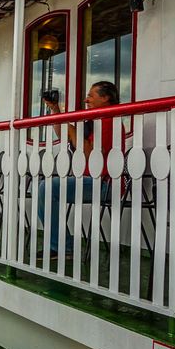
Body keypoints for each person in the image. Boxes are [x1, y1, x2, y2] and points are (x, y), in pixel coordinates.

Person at [37, 81, 119, 257]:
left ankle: (62, 247)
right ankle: (61, 245)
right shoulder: (94, 121)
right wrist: (56, 112)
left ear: (106, 98)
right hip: (90, 180)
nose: (86, 99)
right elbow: (62, 134)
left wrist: (72, 130)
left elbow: (91, 154)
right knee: (48, 187)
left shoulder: (109, 120)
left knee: (48, 187)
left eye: (91, 96)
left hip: (105, 184)